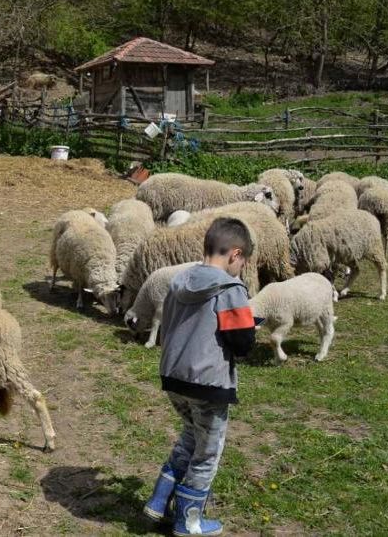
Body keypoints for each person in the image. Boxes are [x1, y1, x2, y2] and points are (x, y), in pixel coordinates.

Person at [143, 217, 257, 536]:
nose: (242, 268)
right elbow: (242, 342)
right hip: (208, 383)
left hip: (175, 379)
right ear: (235, 254)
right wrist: (250, 330)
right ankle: (188, 521)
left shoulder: (180, 280)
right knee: (208, 451)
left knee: (191, 437)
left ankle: (158, 500)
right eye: (243, 261)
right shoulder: (230, 287)